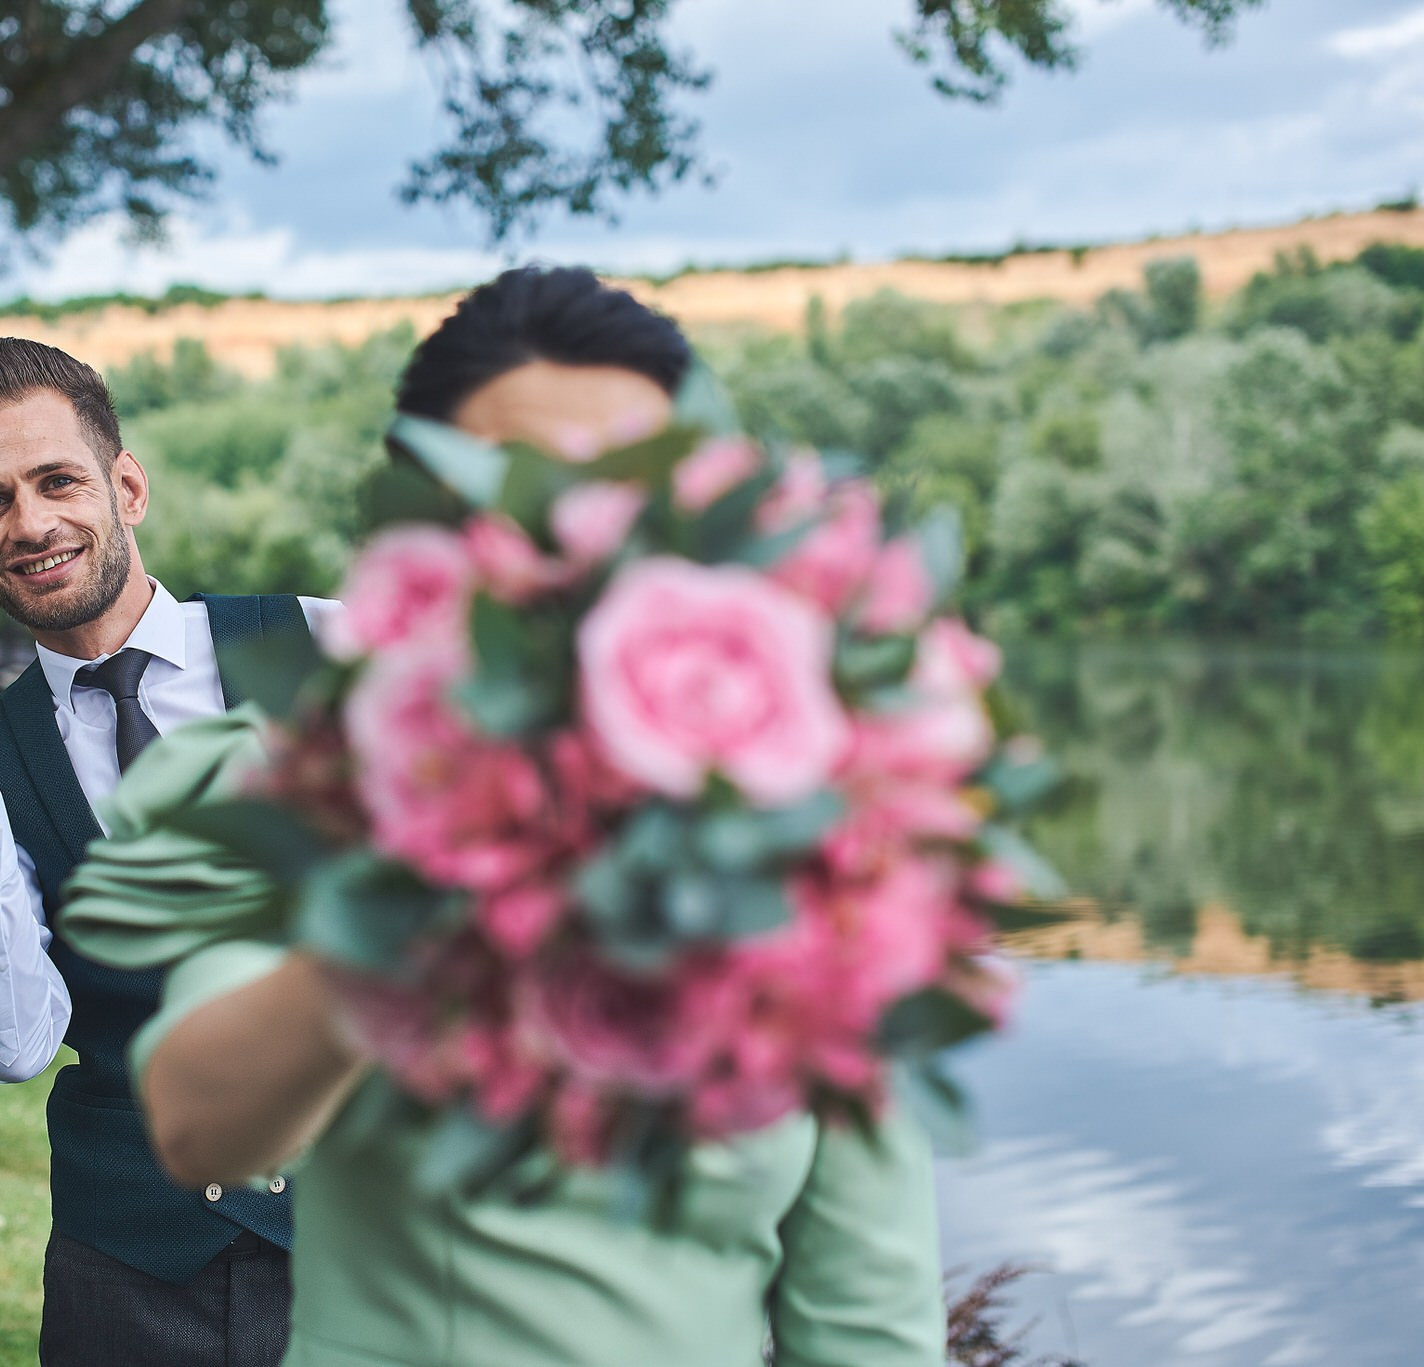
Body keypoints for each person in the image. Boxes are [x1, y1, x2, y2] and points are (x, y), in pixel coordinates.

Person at [61, 268, 949, 1366]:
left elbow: (868, 1319)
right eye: (521, 492)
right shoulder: (267, 781)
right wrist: (435, 846)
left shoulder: (804, 816)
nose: (581, 539)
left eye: (628, 492)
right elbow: (207, 1123)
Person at [0, 337, 335, 1367]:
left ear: (126, 486)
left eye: (57, 480)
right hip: (129, 1279)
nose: (30, 523)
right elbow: (11, 1043)